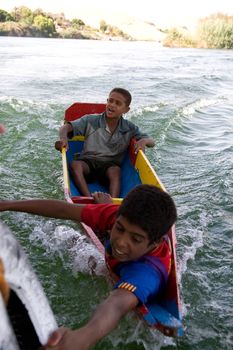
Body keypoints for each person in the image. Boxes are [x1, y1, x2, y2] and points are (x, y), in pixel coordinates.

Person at [0, 184, 177, 350]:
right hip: (115, 244)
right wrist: (7, 204)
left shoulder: (148, 273)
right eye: (120, 229)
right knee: (70, 238)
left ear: (155, 243)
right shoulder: (115, 216)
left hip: (132, 274)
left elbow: (116, 305)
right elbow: (63, 209)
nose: (121, 243)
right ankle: (105, 215)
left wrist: (82, 338)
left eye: (136, 239)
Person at [55, 88, 155, 198]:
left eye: (118, 103)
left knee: (116, 171)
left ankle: (111, 203)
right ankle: (88, 198)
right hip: (88, 162)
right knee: (75, 165)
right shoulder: (90, 120)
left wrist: (143, 141)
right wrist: (63, 138)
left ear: (126, 110)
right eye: (110, 101)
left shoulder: (129, 128)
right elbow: (65, 128)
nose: (112, 105)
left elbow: (152, 142)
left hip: (109, 166)